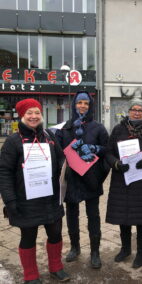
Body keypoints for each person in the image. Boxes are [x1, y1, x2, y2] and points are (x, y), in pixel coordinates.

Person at [0, 98, 70, 284]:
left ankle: (56, 267)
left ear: (41, 115)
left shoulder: (49, 137)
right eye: (29, 113)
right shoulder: (13, 142)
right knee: (28, 237)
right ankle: (31, 275)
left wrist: (64, 169)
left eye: (36, 113)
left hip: (51, 198)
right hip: (25, 200)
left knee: (55, 233)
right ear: (22, 116)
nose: (33, 116)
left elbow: (61, 159)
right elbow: (4, 172)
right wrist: (10, 200)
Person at [105, 98, 142, 269]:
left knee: (141, 219)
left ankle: (141, 252)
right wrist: (116, 163)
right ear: (129, 111)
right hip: (121, 180)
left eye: (140, 110)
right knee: (123, 217)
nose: (137, 112)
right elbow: (108, 152)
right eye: (134, 109)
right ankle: (125, 249)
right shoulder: (118, 129)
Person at [55, 91, 109, 269]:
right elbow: (59, 152)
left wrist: (94, 148)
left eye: (86, 103)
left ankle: (95, 252)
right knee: (72, 215)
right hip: (71, 180)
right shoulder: (66, 128)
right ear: (74, 105)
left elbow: (107, 151)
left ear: (91, 106)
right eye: (79, 103)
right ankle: (75, 247)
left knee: (93, 215)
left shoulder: (98, 128)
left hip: (91, 177)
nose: (83, 106)